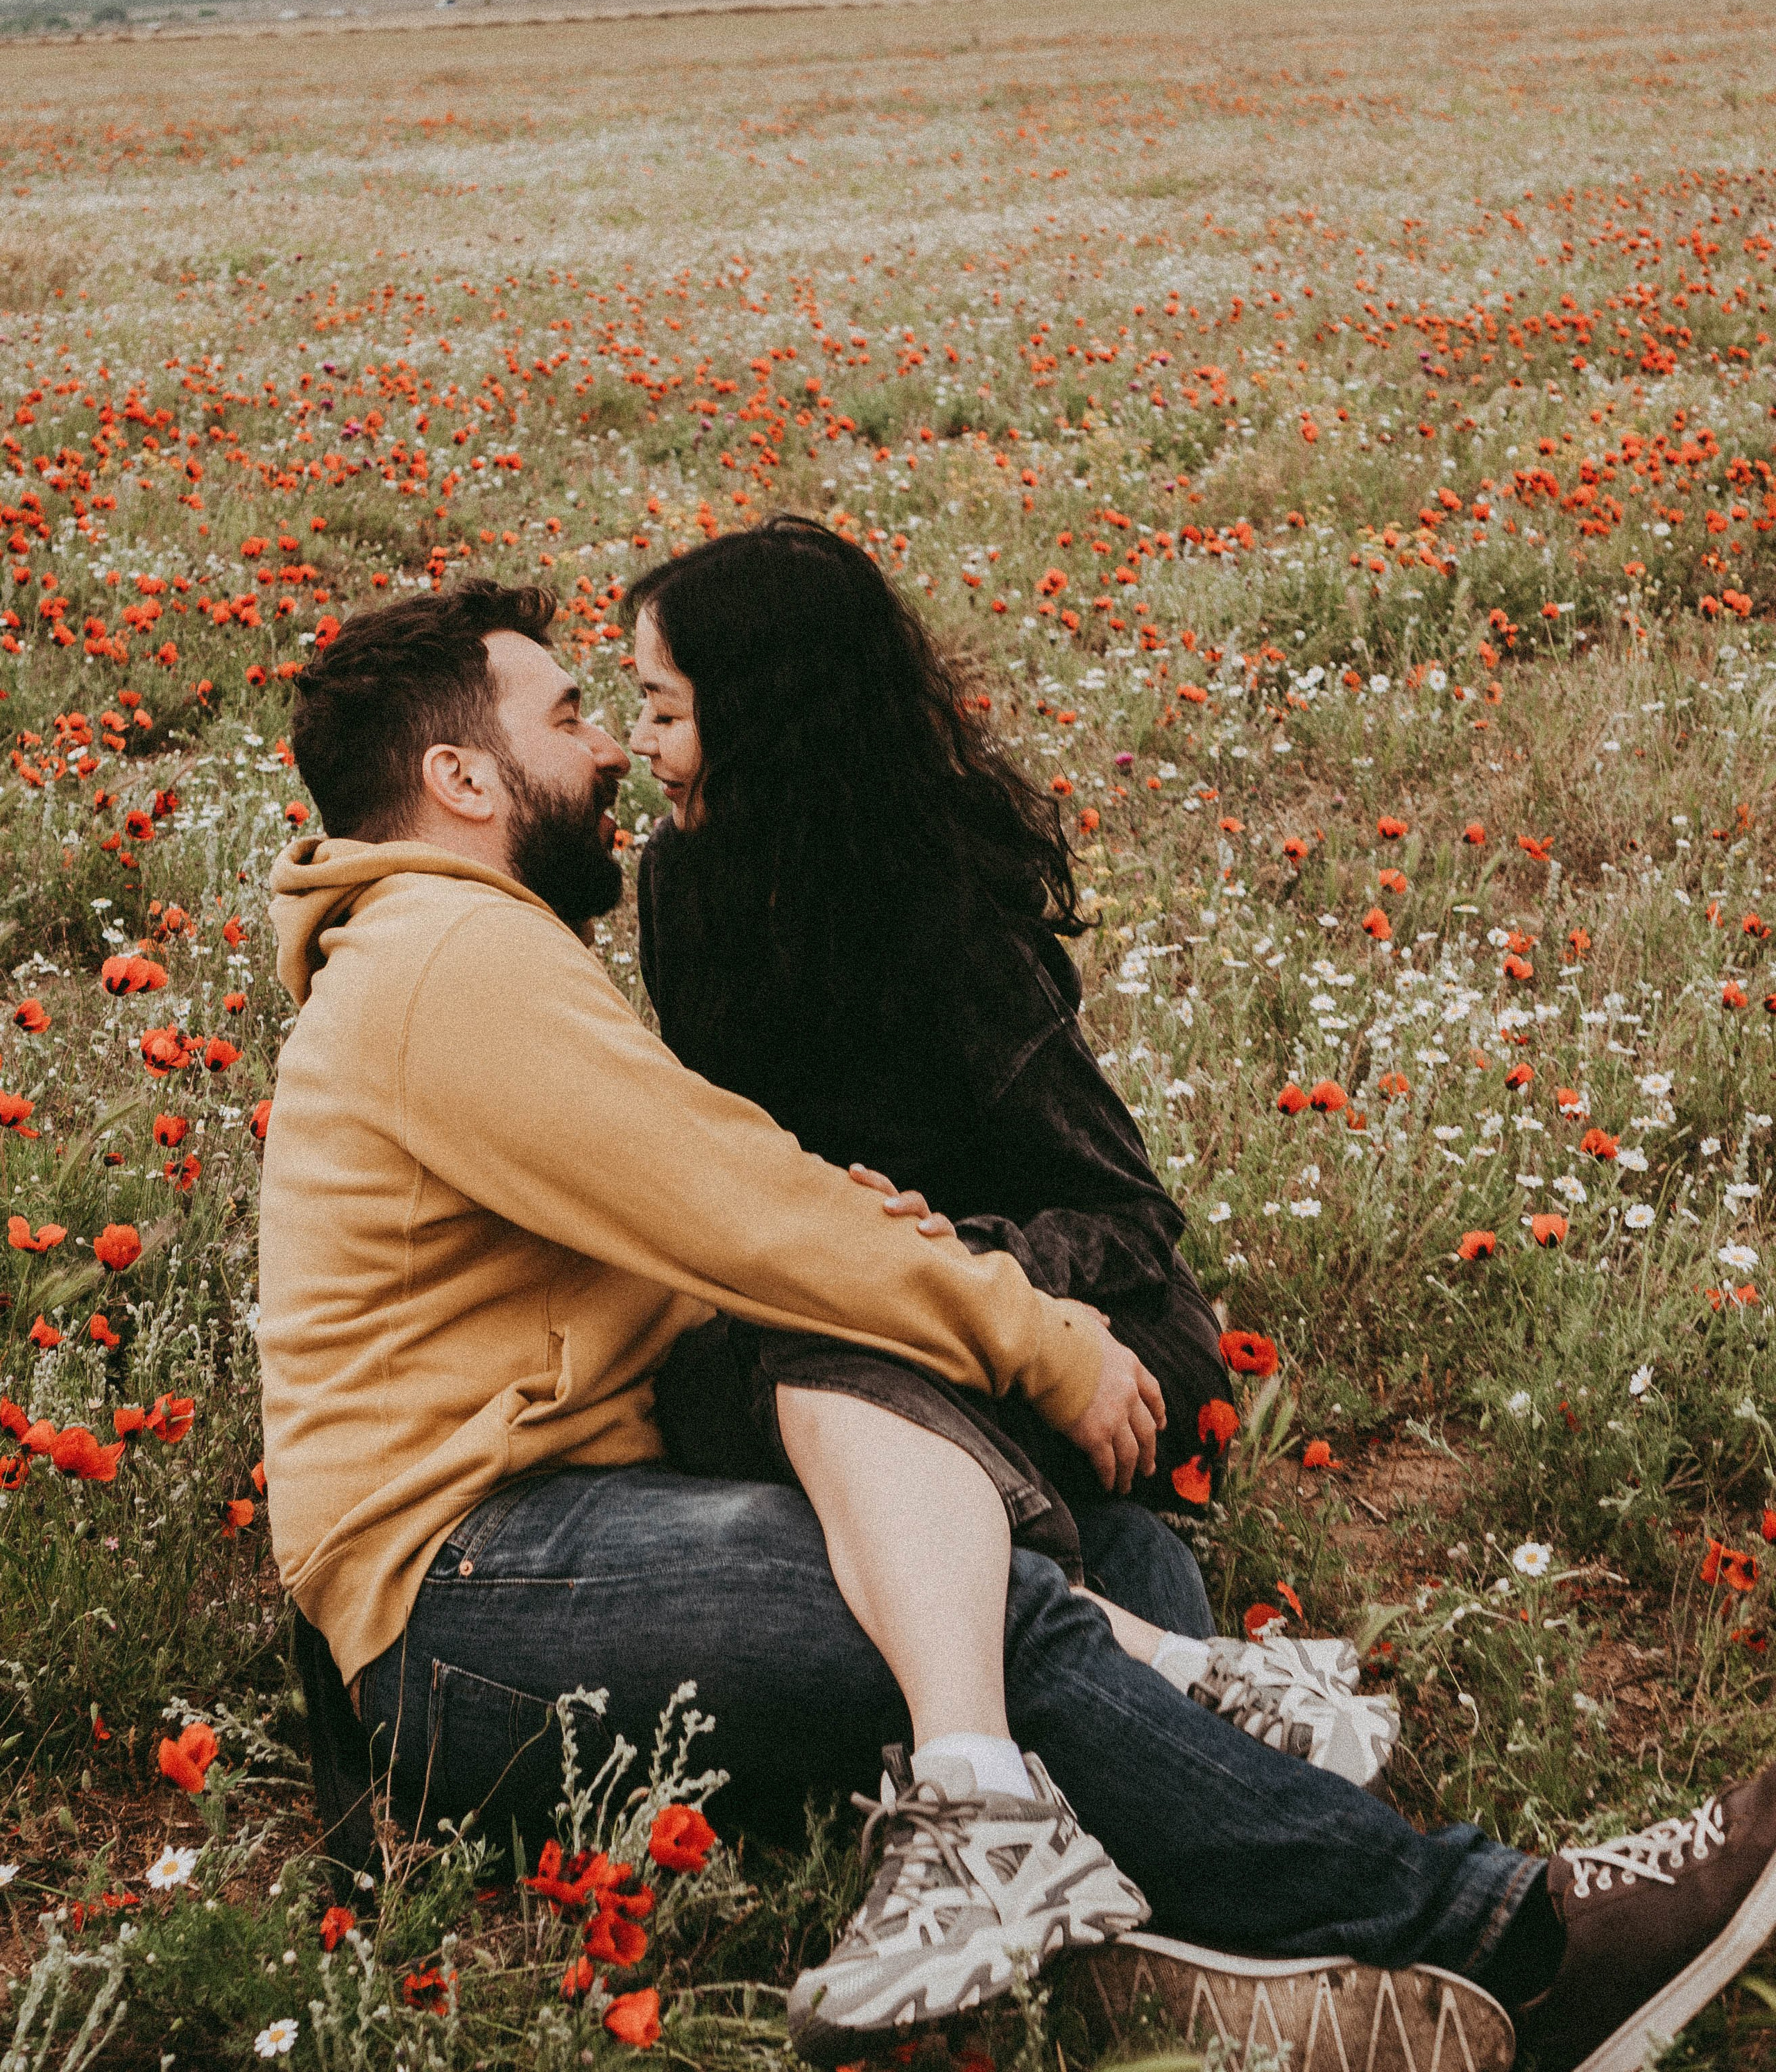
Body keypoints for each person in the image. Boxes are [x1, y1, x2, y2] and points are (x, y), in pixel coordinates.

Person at [262, 578, 1776, 2072]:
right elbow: (745, 1215)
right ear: (461, 776)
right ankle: (1506, 1941)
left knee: (1100, 1554)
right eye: (574, 716)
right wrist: (1032, 1333)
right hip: (457, 1591)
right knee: (969, 1609)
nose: (606, 750)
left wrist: (896, 1244)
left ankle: (1157, 1946)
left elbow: (712, 1212)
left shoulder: (465, 954)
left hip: (571, 1523)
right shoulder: (448, 963)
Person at [623, 514, 1397, 1791]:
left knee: (811, 1371)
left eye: (664, 709)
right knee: (711, 1389)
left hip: (1082, 1322)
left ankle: (1029, 1744)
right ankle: (1174, 1677)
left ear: (763, 718)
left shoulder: (931, 905)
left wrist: (946, 1254)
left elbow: (1128, 1215)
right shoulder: (683, 887)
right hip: (861, 1303)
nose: (639, 744)